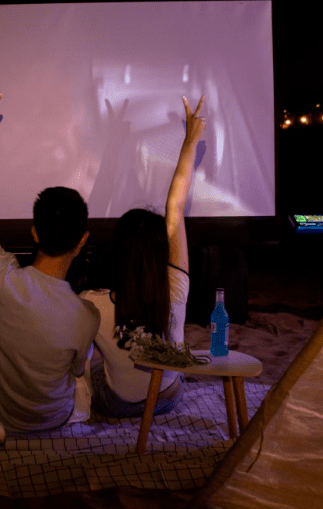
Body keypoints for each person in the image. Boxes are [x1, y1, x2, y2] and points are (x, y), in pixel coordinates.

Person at [0, 85, 100, 434]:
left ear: (34, 232)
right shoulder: (85, 317)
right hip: (49, 421)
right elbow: (77, 372)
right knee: (84, 378)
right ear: (82, 242)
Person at [80, 95, 205, 417]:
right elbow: (174, 208)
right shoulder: (176, 288)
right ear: (159, 249)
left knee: (87, 367)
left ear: (118, 252)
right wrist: (190, 141)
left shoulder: (93, 303)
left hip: (119, 405)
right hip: (168, 397)